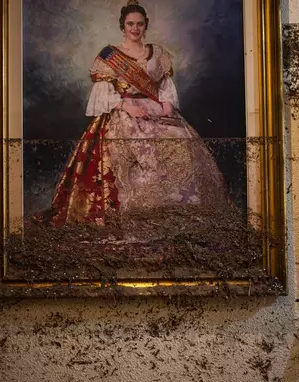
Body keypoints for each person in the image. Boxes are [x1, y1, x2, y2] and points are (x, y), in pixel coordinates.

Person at [40, 0, 230, 227]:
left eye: (140, 24)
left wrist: (166, 105)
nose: (135, 28)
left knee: (181, 143)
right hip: (124, 111)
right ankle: (140, 214)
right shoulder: (110, 56)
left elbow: (165, 88)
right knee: (141, 151)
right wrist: (126, 106)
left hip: (157, 111)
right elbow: (104, 92)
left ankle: (178, 211)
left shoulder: (157, 53)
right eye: (130, 24)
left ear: (145, 25)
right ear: (123, 26)